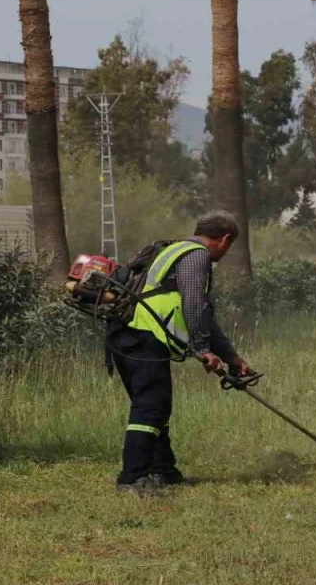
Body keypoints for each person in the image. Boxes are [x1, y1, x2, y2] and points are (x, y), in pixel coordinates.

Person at [108, 211, 253, 495]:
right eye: (229, 246)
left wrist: (232, 358)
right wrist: (202, 349)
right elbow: (194, 304)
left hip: (126, 333)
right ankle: (131, 479)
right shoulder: (196, 255)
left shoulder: (170, 249)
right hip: (142, 335)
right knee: (150, 405)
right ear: (225, 239)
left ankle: (164, 471)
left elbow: (204, 317)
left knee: (155, 404)